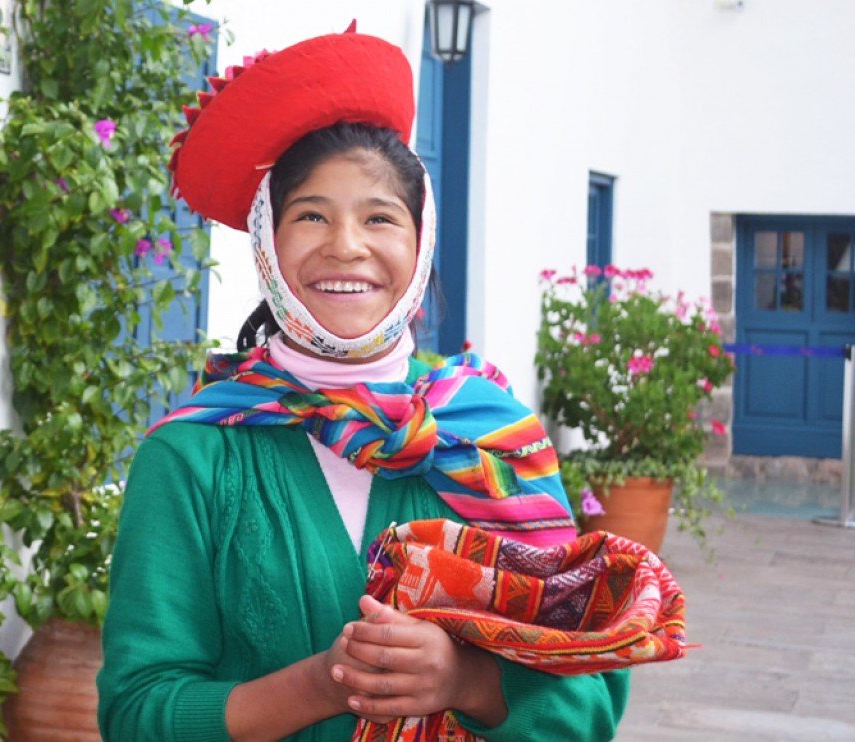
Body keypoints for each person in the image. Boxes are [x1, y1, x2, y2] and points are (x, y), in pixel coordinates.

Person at [97, 26, 629, 741]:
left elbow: (586, 698)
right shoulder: (195, 454)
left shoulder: (492, 435)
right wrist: (321, 684)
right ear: (268, 246)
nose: (346, 245)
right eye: (310, 214)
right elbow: (137, 714)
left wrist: (465, 681)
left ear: (421, 241)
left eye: (380, 217)